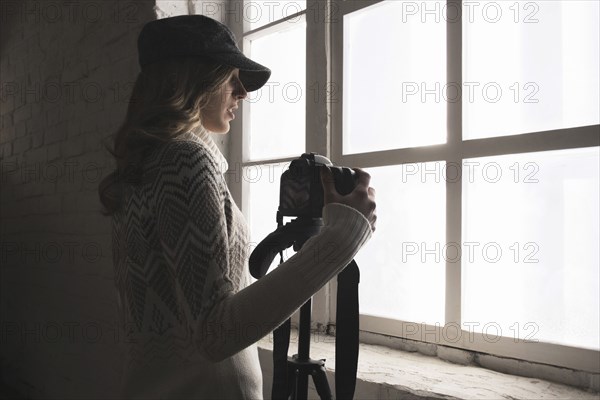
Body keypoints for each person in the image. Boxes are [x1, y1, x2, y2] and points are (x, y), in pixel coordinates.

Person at [98, 15, 376, 399]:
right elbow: (216, 334)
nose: (242, 92)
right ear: (192, 79)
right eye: (230, 76)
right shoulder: (183, 160)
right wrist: (343, 236)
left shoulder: (145, 165)